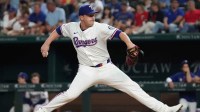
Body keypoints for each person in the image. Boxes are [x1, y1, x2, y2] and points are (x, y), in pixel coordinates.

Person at [37, 4, 182, 112]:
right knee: (70, 94)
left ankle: (164, 110)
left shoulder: (100, 27)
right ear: (81, 17)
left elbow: (120, 33)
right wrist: (46, 44)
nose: (93, 17)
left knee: (134, 88)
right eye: (90, 15)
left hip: (106, 68)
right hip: (86, 70)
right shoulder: (71, 27)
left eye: (94, 15)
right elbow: (58, 30)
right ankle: (43, 110)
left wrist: (129, 43)